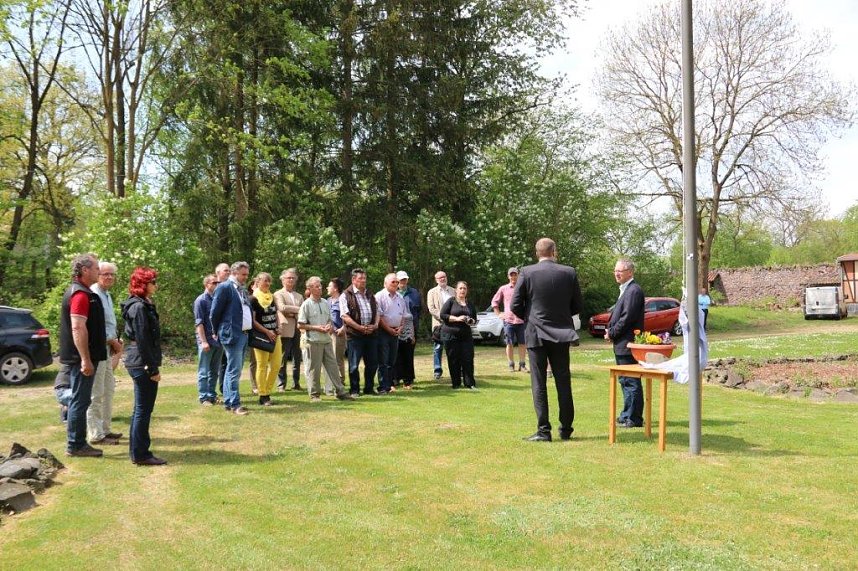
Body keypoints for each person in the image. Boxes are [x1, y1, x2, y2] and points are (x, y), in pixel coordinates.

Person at [511, 238, 583, 442]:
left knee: (539, 382)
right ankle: (566, 429)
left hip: (536, 333)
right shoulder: (569, 272)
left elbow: (515, 304)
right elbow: (578, 305)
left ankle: (544, 431)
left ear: (537, 253)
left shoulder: (527, 272)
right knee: (563, 381)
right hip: (561, 333)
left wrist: (530, 317)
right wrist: (560, 316)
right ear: (554, 252)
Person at [60, 253, 107, 458]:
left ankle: (77, 442)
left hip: (84, 356)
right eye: (96, 268)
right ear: (85, 270)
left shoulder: (83, 292)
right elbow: (78, 328)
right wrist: (85, 360)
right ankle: (76, 444)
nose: (99, 271)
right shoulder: (79, 294)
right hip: (81, 358)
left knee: (82, 399)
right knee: (80, 400)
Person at [121, 267, 167, 466]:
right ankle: (141, 454)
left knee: (141, 409)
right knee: (143, 409)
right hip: (141, 362)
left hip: (140, 360)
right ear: (143, 285)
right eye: (153, 282)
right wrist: (152, 368)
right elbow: (143, 339)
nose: (156, 285)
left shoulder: (144, 304)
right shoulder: (139, 307)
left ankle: (139, 451)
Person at [297, 276, 355, 402]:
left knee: (333, 367)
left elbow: (329, 319)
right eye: (317, 286)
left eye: (320, 286)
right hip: (313, 341)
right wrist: (317, 328)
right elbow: (300, 324)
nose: (320, 288)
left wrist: (329, 325)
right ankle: (314, 394)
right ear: (310, 289)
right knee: (314, 369)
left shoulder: (325, 302)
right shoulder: (306, 304)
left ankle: (340, 392)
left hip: (327, 340)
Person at [604, 257, 646, 429]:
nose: (616, 273)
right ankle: (626, 414)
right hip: (622, 343)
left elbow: (627, 318)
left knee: (631, 381)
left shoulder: (634, 290)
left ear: (630, 272)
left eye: (620, 270)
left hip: (628, 343)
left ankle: (634, 418)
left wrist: (612, 332)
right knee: (624, 380)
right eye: (615, 270)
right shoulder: (625, 289)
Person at [88, 261, 124, 445]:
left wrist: (114, 342)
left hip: (108, 348)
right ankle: (95, 433)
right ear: (97, 274)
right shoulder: (93, 294)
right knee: (97, 393)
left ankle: (105, 429)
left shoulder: (107, 295)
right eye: (105, 274)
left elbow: (109, 323)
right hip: (98, 349)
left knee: (109, 390)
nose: (109, 277)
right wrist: (112, 342)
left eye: (112, 274)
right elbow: (96, 326)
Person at [210, 261, 253, 415]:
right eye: (243, 274)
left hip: (243, 334)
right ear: (234, 273)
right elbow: (214, 312)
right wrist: (215, 331)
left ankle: (229, 402)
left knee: (234, 369)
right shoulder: (225, 287)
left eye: (247, 274)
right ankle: (235, 404)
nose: (246, 277)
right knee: (234, 370)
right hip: (232, 334)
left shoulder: (241, 289)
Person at [340, 268, 380, 396]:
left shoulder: (370, 294)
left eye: (364, 279)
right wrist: (359, 327)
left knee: (373, 363)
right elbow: (345, 316)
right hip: (355, 335)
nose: (363, 281)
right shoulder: (346, 295)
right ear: (353, 280)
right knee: (354, 365)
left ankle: (369, 388)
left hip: (371, 334)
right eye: (360, 279)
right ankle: (354, 389)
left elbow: (378, 311)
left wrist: (375, 325)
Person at [440, 281, 478, 390]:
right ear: (456, 290)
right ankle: (456, 383)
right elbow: (443, 315)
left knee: (468, 358)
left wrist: (471, 321)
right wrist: (457, 318)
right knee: (453, 359)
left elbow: (474, 319)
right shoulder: (451, 301)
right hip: (450, 334)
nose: (462, 290)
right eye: (460, 288)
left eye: (464, 288)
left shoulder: (470, 304)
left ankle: (469, 383)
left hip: (466, 335)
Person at [250, 272, 280, 406]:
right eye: (264, 281)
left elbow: (276, 313)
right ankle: (263, 395)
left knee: (276, 364)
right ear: (258, 282)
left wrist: (278, 327)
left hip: (275, 335)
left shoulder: (272, 297)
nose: (267, 283)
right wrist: (267, 331)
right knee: (262, 365)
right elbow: (253, 320)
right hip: (261, 336)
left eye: (269, 281)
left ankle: (267, 390)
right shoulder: (253, 299)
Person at [491, 267, 528, 373]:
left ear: (518, 276)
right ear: (508, 276)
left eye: (515, 274)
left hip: (521, 320)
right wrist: (499, 314)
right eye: (511, 275)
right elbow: (494, 302)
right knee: (509, 343)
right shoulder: (503, 288)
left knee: (522, 343)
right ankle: (511, 364)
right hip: (509, 321)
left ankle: (522, 364)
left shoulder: (523, 288)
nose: (513, 277)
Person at [376, 273, 407, 394]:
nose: (395, 284)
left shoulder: (400, 297)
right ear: (385, 283)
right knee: (383, 360)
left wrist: (400, 327)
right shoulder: (379, 296)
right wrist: (388, 329)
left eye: (397, 282)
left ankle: (389, 385)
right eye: (393, 282)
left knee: (392, 360)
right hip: (383, 331)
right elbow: (379, 316)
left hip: (396, 331)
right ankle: (383, 386)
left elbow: (403, 315)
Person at [194, 274, 222, 406]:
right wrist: (203, 341)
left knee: (214, 371)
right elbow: (199, 324)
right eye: (214, 283)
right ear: (207, 285)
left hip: (218, 341)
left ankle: (212, 395)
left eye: (218, 283)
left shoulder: (218, 299)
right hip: (206, 340)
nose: (216, 285)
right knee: (204, 371)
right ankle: (203, 397)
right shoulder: (201, 300)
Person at [274, 268, 303, 391]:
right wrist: (298, 309)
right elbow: (281, 307)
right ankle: (281, 384)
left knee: (297, 357)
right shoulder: (278, 294)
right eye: (288, 278)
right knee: (283, 357)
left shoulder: (299, 295)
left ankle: (296, 383)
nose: (291, 280)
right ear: (282, 280)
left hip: (298, 329)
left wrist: (291, 311)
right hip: (285, 329)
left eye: (293, 278)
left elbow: (304, 310)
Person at [427, 270, 455, 380]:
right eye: (440, 278)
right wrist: (444, 317)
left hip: (452, 324)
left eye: (444, 276)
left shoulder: (453, 291)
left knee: (453, 348)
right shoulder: (432, 292)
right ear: (436, 280)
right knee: (438, 348)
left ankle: (454, 368)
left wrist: (452, 319)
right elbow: (431, 308)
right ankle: (437, 370)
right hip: (439, 324)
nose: (443, 279)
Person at [323, 277, 347, 396]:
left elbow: (347, 316)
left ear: (336, 288)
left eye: (329, 286)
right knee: (328, 360)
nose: (327, 288)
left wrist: (344, 328)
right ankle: (329, 386)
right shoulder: (327, 301)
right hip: (328, 333)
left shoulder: (343, 299)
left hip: (339, 334)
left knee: (337, 360)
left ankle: (340, 383)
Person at [214, 262, 231, 396]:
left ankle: (225, 389)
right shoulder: (218, 288)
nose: (228, 272)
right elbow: (214, 312)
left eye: (229, 270)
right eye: (225, 270)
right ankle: (220, 389)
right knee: (219, 362)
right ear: (218, 273)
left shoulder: (231, 287)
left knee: (226, 361)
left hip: (229, 332)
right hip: (219, 331)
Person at [394, 302, 416, 389]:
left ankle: (408, 381)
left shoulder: (406, 307)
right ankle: (395, 379)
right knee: (397, 359)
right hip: (397, 335)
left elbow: (411, 322)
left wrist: (412, 335)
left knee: (408, 359)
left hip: (408, 337)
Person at [396, 270, 422, 335]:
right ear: (397, 280)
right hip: (396, 326)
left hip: (412, 325)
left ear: (407, 280)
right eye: (401, 279)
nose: (403, 281)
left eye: (405, 279)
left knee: (410, 344)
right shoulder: (393, 292)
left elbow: (419, 309)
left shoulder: (414, 292)